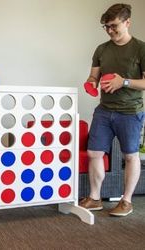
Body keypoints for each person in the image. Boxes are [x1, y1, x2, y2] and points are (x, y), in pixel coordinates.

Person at [79, 4, 145, 216]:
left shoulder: (141, 49)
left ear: (127, 22)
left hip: (130, 111)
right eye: (106, 27)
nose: (110, 31)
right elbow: (94, 76)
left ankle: (126, 201)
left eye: (114, 26)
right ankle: (95, 198)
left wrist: (123, 82)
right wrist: (90, 83)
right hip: (104, 110)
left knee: (130, 156)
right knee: (94, 152)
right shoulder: (101, 49)